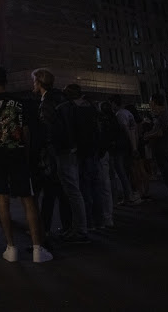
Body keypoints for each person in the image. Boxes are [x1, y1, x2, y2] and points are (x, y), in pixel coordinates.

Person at [0, 67, 53, 263]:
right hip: (18, 155)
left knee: (2, 201)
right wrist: (26, 155)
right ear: (6, 82)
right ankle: (38, 249)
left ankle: (10, 248)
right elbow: (27, 132)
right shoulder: (22, 103)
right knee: (28, 200)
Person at [31, 68, 70, 238]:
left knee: (49, 193)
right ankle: (68, 226)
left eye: (34, 81)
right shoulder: (60, 99)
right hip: (63, 151)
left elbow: (47, 131)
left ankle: (44, 230)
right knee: (62, 192)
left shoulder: (46, 103)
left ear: (39, 83)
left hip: (51, 154)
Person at [55, 84, 96, 241]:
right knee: (87, 188)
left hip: (71, 152)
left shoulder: (65, 109)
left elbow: (63, 130)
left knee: (73, 190)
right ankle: (87, 223)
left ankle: (79, 228)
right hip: (87, 152)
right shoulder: (90, 107)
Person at [143, 93, 168, 214]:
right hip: (163, 149)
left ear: (155, 102)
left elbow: (160, 133)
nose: (150, 104)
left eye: (150, 101)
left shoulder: (163, 115)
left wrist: (147, 136)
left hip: (163, 149)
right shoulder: (160, 115)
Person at [108, 95, 141, 205]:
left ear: (113, 103)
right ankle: (135, 193)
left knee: (122, 171)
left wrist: (132, 146)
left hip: (123, 146)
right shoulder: (128, 113)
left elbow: (127, 130)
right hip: (130, 145)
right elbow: (134, 129)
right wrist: (135, 145)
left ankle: (129, 195)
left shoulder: (119, 115)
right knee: (129, 170)